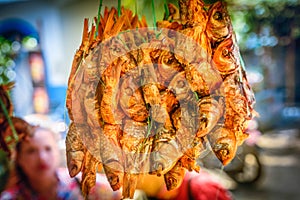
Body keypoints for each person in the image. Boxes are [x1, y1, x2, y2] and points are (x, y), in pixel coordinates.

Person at [0, 126, 83, 200]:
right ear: (18, 158)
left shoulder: (85, 184)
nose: (42, 158)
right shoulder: (10, 197)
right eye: (31, 151)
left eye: (48, 149)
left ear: (57, 151)